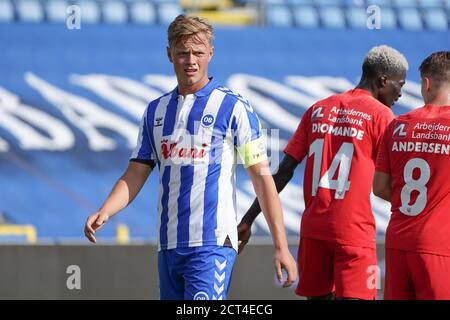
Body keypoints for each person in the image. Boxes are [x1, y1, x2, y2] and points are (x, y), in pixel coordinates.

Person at [84, 14, 296, 300]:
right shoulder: (155, 111)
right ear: (169, 54)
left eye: (198, 52)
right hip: (168, 246)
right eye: (183, 53)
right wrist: (106, 209)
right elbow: (137, 170)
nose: (191, 61)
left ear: (211, 53)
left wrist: (280, 246)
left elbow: (261, 176)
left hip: (212, 244)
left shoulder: (233, 106)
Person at [238, 45, 408, 300]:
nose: (401, 94)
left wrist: (249, 219)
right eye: (400, 84)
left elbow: (283, 171)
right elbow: (397, 178)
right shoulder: (382, 116)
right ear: (383, 81)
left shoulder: (318, 109)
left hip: (313, 231)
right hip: (353, 232)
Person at [373, 51, 450, 300]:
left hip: (398, 241)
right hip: (440, 244)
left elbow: (380, 187)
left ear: (426, 83)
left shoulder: (397, 125)